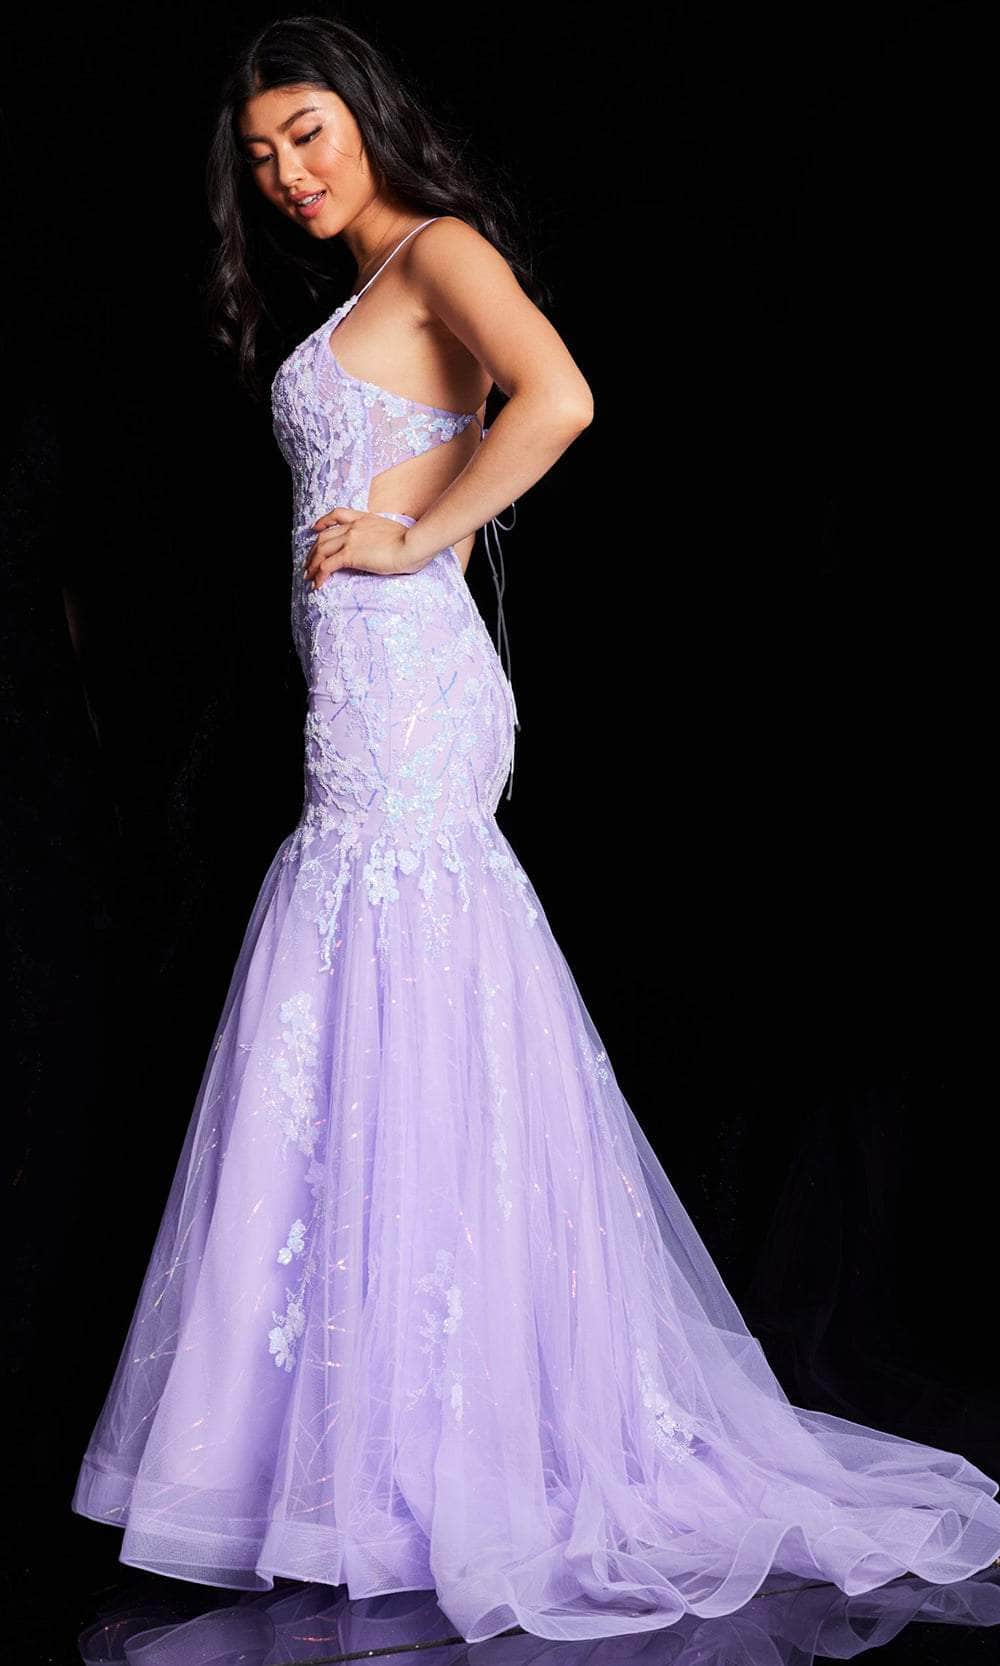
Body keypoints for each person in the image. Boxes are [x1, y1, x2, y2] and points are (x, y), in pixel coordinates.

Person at [70, 14, 1000, 1645]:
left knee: (396, 961)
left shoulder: (436, 249)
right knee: (370, 990)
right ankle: (380, 1449)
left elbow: (558, 395)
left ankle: (438, 1453)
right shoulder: (367, 284)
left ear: (366, 115)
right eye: (263, 154)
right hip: (369, 684)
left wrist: (412, 535)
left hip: (407, 685)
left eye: (309, 132)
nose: (288, 172)